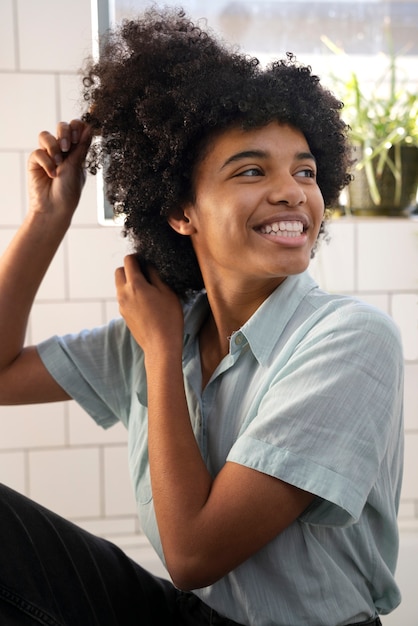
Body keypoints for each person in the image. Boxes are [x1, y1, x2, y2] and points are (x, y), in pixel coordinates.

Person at [0, 6, 404, 626]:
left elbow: (194, 554)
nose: (293, 191)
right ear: (180, 211)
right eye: (251, 170)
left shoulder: (350, 340)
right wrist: (47, 219)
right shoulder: (167, 323)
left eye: (306, 171)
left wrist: (162, 355)